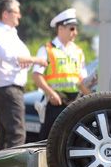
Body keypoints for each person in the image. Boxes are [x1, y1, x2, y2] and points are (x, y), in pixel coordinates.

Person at [0, 0, 45, 151]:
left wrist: (26, 60)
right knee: (17, 135)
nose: (20, 16)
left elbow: (21, 57)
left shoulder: (11, 35)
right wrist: (36, 59)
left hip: (11, 89)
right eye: (16, 12)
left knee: (6, 136)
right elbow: (11, 56)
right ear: (5, 14)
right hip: (7, 89)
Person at [32, 8, 89, 140]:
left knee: (74, 140)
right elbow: (36, 75)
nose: (75, 33)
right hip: (55, 102)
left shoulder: (78, 51)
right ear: (60, 29)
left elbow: (82, 79)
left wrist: (90, 96)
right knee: (48, 140)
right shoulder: (47, 50)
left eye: (75, 29)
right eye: (72, 29)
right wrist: (51, 93)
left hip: (76, 102)